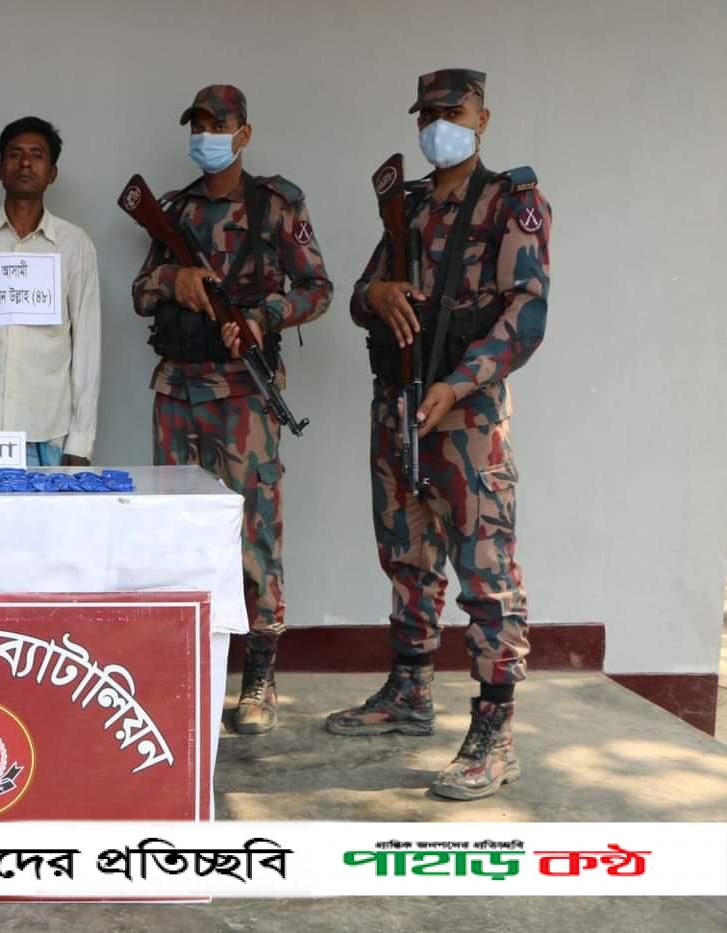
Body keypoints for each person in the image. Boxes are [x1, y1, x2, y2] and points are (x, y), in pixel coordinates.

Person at [328, 68, 551, 801]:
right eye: (427, 114)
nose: (438, 125)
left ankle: (495, 731)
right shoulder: (409, 204)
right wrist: (377, 293)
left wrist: (458, 384)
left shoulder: (511, 202)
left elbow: (526, 313)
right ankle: (410, 689)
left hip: (466, 417)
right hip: (397, 404)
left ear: (483, 117)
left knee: (485, 570)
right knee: (406, 554)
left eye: (453, 111)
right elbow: (359, 297)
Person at [132, 84, 333, 734]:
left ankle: (259, 679)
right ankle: (181, 674)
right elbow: (141, 291)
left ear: (243, 134)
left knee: (254, 533)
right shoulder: (173, 209)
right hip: (177, 391)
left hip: (244, 395)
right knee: (174, 533)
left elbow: (318, 288)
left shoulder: (276, 204)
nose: (205, 136)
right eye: (197, 125)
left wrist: (262, 315)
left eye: (217, 125)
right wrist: (177, 280)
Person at [0, 116, 101, 466]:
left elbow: (87, 346)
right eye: (15, 154)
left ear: (52, 173)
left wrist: (80, 441)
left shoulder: (74, 244)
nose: (25, 163)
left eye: (37, 155)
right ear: (0, 169)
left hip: (49, 435)